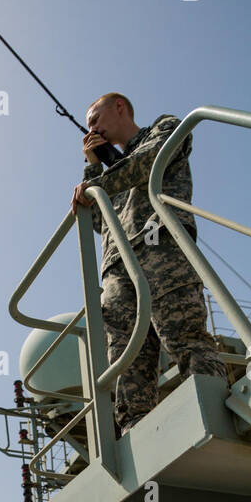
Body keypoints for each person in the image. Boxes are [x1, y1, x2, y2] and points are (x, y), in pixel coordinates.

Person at [70, 93, 227, 435]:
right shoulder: (111, 172)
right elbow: (97, 220)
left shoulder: (164, 127)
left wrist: (99, 180)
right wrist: (93, 167)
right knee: (127, 357)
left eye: (95, 119)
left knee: (182, 335)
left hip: (160, 247)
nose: (91, 129)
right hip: (118, 266)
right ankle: (134, 430)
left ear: (120, 107)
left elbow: (149, 160)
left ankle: (217, 408)